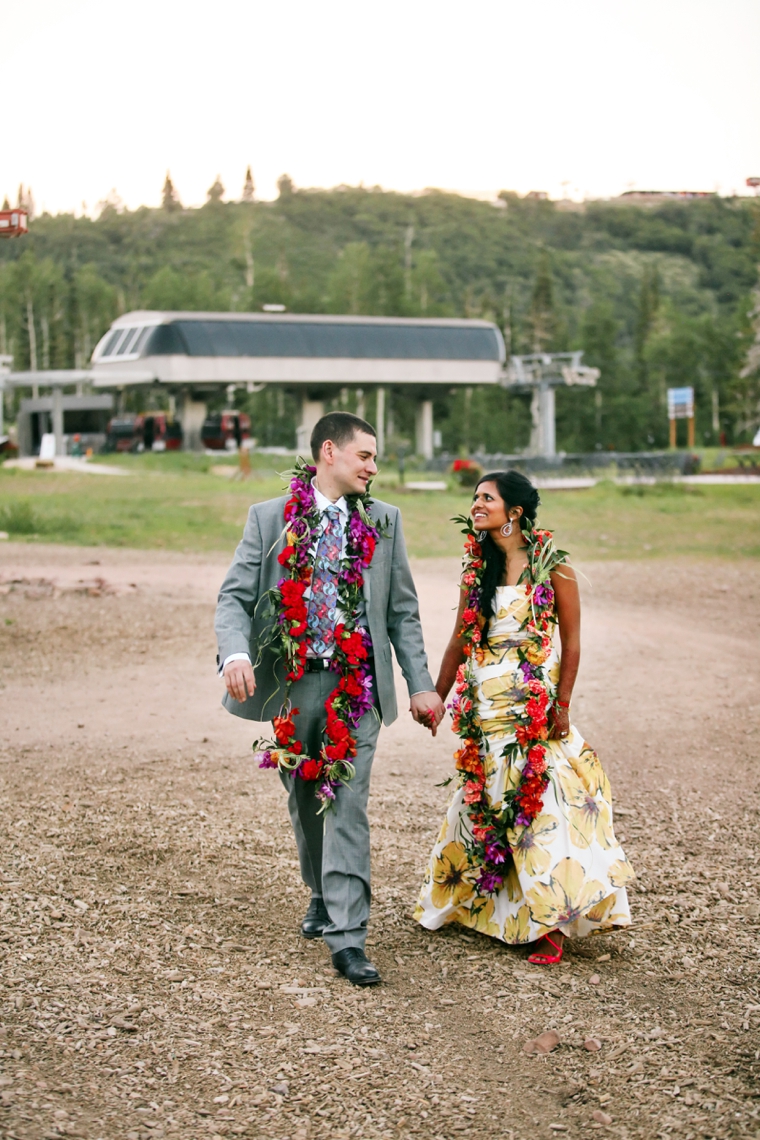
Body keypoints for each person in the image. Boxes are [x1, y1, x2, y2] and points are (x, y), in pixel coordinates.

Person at [215, 412, 445, 985]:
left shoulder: (385, 523)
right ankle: (320, 889)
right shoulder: (269, 518)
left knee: (345, 802)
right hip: (292, 684)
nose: (374, 467)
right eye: (365, 456)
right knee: (303, 795)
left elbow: (402, 613)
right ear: (329, 453)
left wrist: (419, 684)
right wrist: (236, 655)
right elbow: (234, 597)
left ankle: (348, 939)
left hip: (356, 688)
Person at [415, 470, 633, 964]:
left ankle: (552, 921)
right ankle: (478, 906)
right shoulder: (478, 569)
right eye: (474, 497)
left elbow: (571, 643)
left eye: (486, 498)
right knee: (486, 799)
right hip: (487, 704)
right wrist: (438, 695)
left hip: (532, 703)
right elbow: (458, 639)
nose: (476, 504)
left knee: (544, 804)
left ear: (513, 511)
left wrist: (562, 705)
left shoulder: (553, 566)